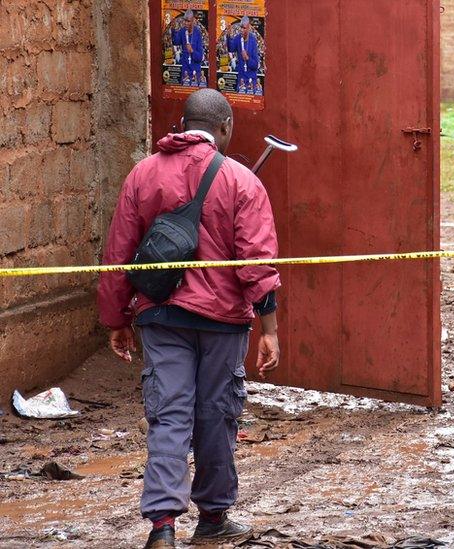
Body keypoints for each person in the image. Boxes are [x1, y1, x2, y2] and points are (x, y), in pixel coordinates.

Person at [97, 89, 281, 549]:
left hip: (161, 317)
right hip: (223, 322)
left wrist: (116, 317)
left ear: (182, 124)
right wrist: (270, 328)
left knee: (169, 415)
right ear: (225, 128)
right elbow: (256, 260)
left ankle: (162, 527)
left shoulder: (142, 174)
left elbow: (119, 253)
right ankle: (214, 519)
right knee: (217, 415)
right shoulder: (242, 180)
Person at [227, 16, 260, 93]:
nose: (242, 30)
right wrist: (228, 36)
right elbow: (231, 49)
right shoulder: (238, 38)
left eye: (244, 28)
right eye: (241, 28)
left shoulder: (253, 40)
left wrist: (247, 58)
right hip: (241, 78)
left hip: (251, 79)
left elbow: (255, 65)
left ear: (248, 28)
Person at [172, 10, 204, 86]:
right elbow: (175, 42)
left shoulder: (198, 33)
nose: (186, 23)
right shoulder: (182, 31)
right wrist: (173, 30)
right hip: (185, 67)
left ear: (193, 21)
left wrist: (192, 51)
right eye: (185, 21)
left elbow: (200, 57)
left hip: (195, 70)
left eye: (188, 21)